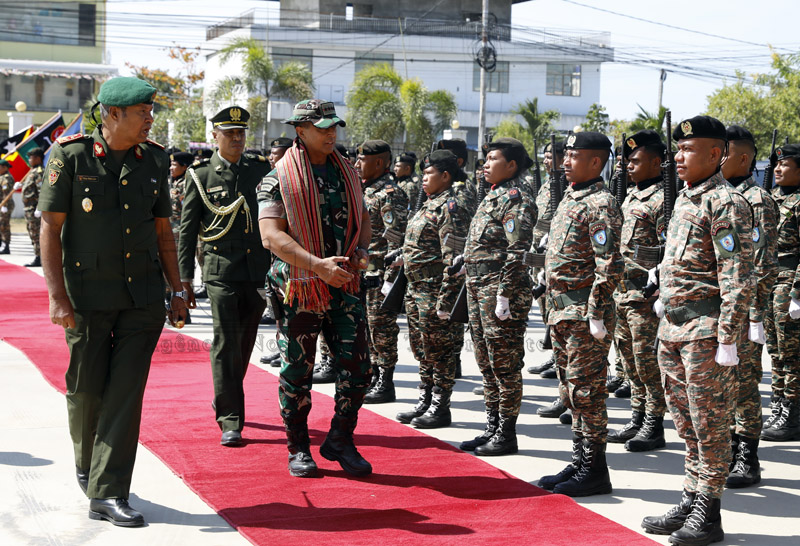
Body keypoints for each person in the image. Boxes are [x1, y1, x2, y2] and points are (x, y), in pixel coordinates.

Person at [38, 76, 187, 527]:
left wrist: (177, 289)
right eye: (143, 111)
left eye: (151, 111)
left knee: (125, 394)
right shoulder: (71, 156)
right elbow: (50, 227)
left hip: (142, 297)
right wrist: (57, 297)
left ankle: (108, 491)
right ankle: (89, 464)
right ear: (113, 114)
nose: (150, 119)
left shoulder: (155, 160)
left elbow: (164, 231)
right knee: (85, 390)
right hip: (87, 297)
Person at [642, 115, 753, 545]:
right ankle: (690, 497)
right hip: (672, 328)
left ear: (715, 154)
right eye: (678, 149)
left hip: (706, 333)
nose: (679, 157)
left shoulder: (726, 203)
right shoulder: (686, 199)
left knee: (710, 424)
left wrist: (728, 336)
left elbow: (737, 276)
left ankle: (709, 509)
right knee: (686, 423)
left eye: (689, 150)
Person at [257, 98, 373, 479]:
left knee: (358, 367)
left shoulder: (347, 173)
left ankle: (340, 437)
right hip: (301, 287)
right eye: (321, 127)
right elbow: (271, 237)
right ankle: (298, 447)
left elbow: (364, 218)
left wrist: (360, 252)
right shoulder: (278, 178)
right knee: (297, 371)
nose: (330, 133)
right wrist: (317, 266)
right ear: (300, 130)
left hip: (345, 284)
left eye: (333, 126)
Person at [177, 106, 271, 447]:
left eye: (241, 132)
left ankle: (224, 395)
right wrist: (184, 279)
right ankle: (231, 419)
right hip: (220, 273)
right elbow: (187, 232)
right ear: (214, 136)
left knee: (244, 345)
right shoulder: (200, 176)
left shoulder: (261, 170)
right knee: (225, 342)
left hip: (256, 272)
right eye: (229, 133)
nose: (236, 138)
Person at [538, 131, 623, 497]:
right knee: (571, 391)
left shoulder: (601, 203)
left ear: (596, 161)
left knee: (587, 393)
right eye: (566, 153)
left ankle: (595, 470)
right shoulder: (571, 197)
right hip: (561, 313)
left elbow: (610, 266)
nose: (566, 160)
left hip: (584, 315)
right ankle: (581, 460)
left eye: (575, 155)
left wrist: (598, 314)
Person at [459, 137, 536, 456]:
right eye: (485, 158)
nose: (485, 164)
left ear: (512, 165)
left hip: (499, 291)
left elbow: (517, 251)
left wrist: (504, 294)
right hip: (479, 289)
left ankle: (506, 432)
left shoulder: (516, 199)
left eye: (493, 159)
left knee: (504, 363)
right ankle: (492, 426)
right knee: (486, 361)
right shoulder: (493, 195)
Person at [395, 150, 471, 428]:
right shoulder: (428, 204)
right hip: (416, 290)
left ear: (445, 176)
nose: (423, 178)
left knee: (440, 351)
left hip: (435, 291)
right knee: (423, 349)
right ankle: (425, 400)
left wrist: (446, 301)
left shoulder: (449, 208)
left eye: (429, 174)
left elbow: (454, 260)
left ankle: (441, 406)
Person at [721, 126, 779, 484]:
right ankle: (725, 449)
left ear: (743, 159)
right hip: (718, 310)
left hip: (744, 313)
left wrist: (755, 315)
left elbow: (763, 264)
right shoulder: (716, 196)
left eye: (723, 153)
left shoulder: (757, 201)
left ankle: (748, 457)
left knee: (743, 386)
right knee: (722, 387)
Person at [607, 130, 668, 452]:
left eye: (636, 160)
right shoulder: (631, 196)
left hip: (645, 297)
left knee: (647, 364)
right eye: (627, 160)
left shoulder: (662, 200)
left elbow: (667, 249)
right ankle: (637, 416)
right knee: (629, 363)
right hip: (622, 293)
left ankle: (654, 424)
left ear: (656, 163)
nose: (629, 166)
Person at [356, 140, 409, 404]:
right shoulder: (366, 190)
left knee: (382, 328)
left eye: (362, 160)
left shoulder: (390, 193)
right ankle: (373, 375)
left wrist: (390, 280)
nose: (357, 164)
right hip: (364, 273)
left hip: (380, 275)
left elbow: (396, 240)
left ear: (379, 162)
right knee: (367, 327)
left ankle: (385, 382)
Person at [762, 142, 800, 442]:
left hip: (790, 280)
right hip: (770, 279)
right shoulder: (772, 198)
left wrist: (798, 293)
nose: (777, 169)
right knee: (774, 350)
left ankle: (793, 411)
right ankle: (778, 404)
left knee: (792, 352)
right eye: (776, 164)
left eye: (784, 164)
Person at [20, 146, 45, 266]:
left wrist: (39, 207)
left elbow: (41, 191)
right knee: (32, 232)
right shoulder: (32, 171)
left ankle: (40, 257)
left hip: (34, 208)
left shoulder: (39, 171)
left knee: (36, 233)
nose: (29, 160)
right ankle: (38, 256)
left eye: (31, 157)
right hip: (29, 208)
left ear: (38, 158)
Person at [0, 159, 14, 254]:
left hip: (5, 205)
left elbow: (7, 193)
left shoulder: (6, 178)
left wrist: (4, 205)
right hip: (2, 204)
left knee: (4, 225)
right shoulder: (1, 177)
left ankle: (6, 246)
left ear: (5, 168)